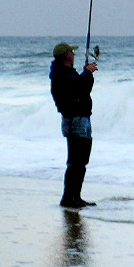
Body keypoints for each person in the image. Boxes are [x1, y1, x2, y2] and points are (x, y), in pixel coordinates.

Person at [49, 42, 98, 208]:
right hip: (74, 121)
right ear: (66, 56)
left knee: (81, 161)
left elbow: (84, 88)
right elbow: (80, 87)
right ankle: (69, 198)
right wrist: (87, 72)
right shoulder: (61, 74)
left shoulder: (65, 73)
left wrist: (86, 73)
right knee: (75, 162)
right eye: (72, 52)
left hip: (80, 119)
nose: (74, 54)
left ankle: (75, 197)